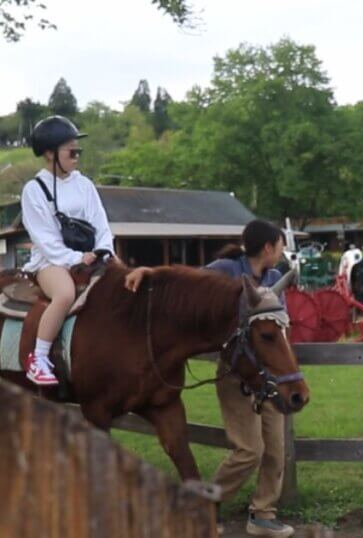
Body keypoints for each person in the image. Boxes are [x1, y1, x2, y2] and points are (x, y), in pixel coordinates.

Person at [124, 220, 295, 537]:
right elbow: (184, 282)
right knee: (249, 451)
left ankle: (263, 513)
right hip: (236, 374)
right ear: (268, 247)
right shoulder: (224, 269)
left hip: (269, 375)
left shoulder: (274, 280)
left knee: (276, 448)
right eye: (282, 245)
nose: (283, 251)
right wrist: (150, 272)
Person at [21, 115, 114, 386]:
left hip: (91, 255)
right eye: (71, 150)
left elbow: (100, 222)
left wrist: (104, 249)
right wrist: (75, 259)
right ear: (50, 154)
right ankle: (37, 358)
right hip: (50, 262)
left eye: (78, 150)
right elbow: (45, 240)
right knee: (64, 294)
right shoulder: (33, 190)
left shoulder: (84, 184)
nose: (77, 156)